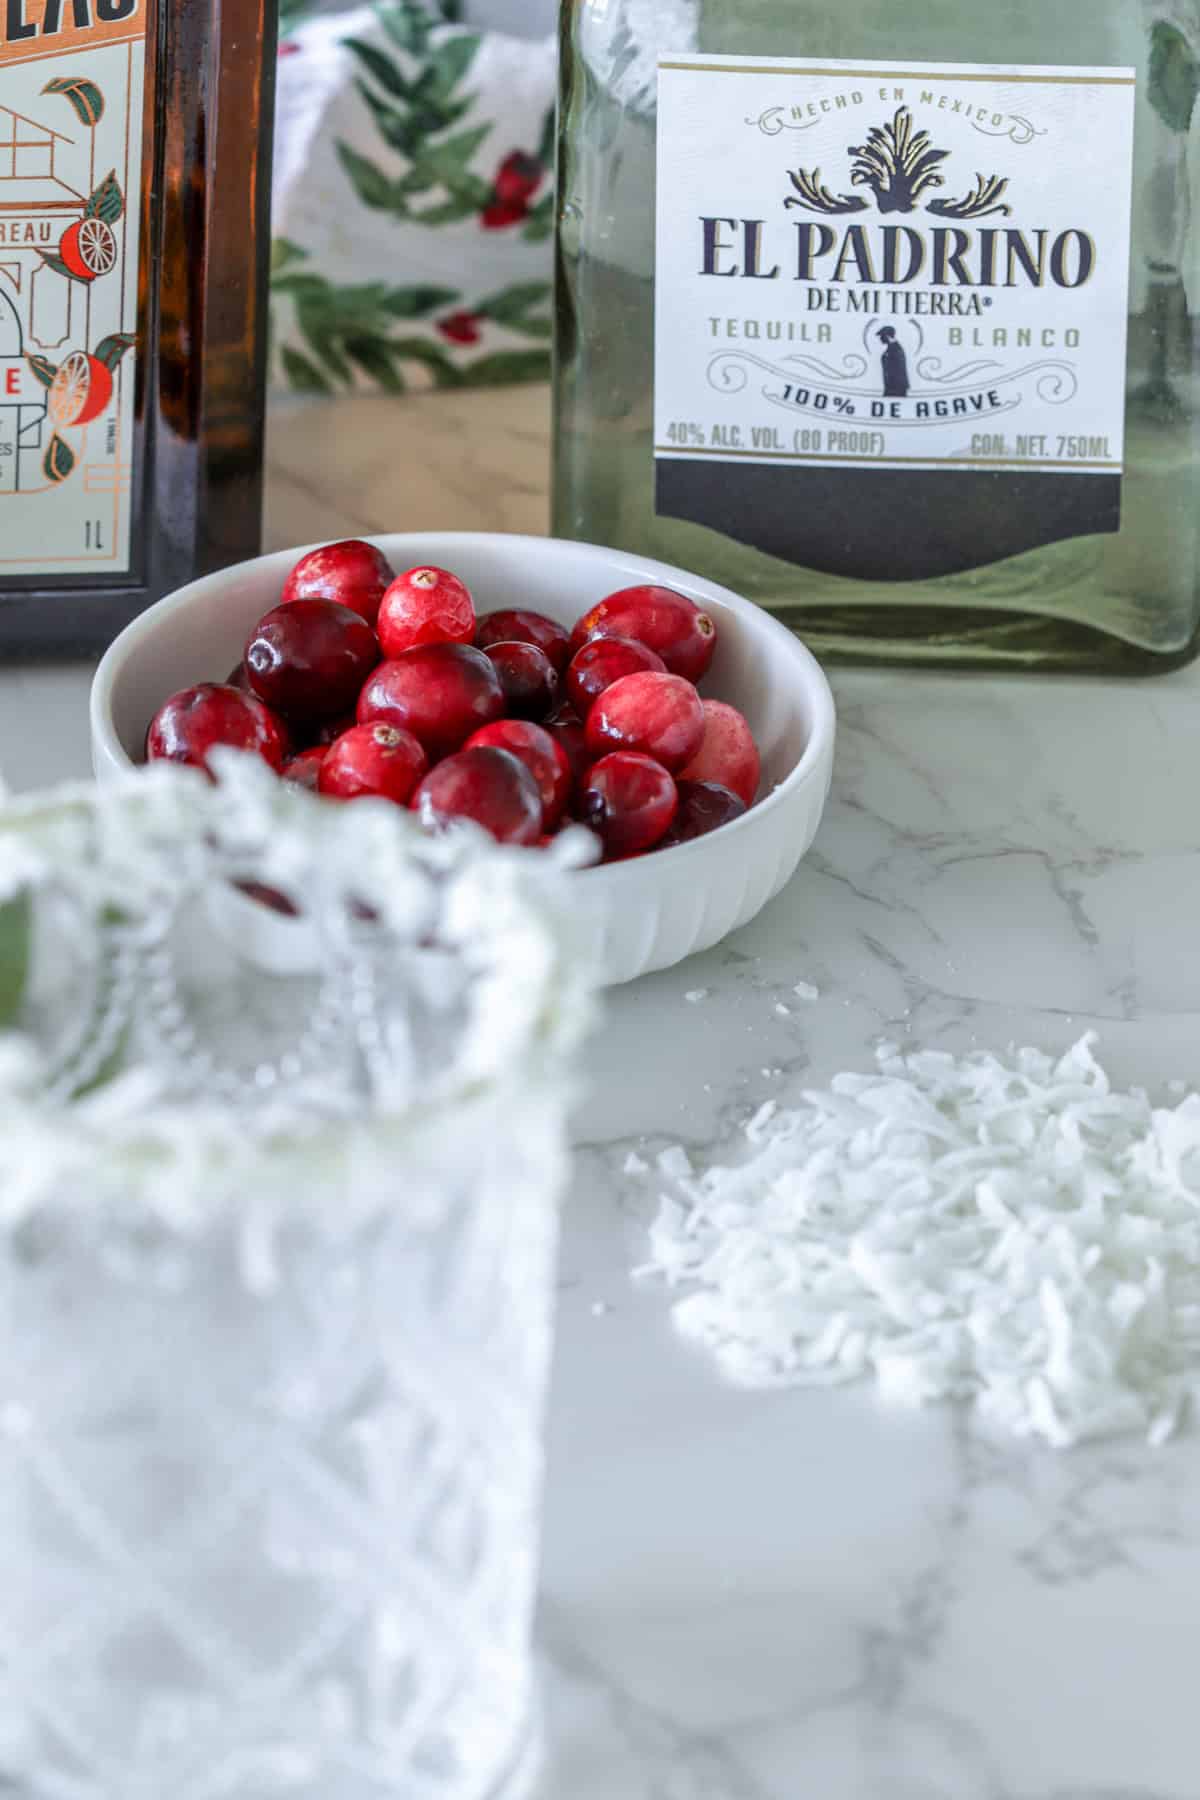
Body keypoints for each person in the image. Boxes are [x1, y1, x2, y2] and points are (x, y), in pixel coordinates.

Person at [878, 327, 910, 398]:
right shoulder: (892, 347)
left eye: (882, 336)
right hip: (891, 386)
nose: (880, 339)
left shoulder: (896, 348)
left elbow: (898, 369)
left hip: (896, 387)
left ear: (887, 336)